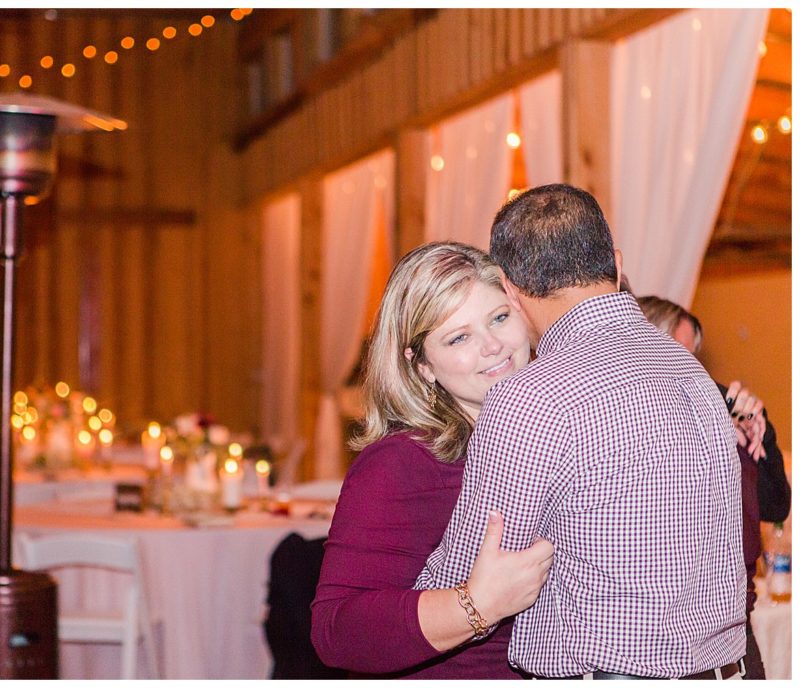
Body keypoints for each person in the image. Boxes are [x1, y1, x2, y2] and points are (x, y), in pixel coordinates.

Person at [416, 184, 747, 679]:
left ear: (509, 288)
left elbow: (472, 571)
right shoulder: (688, 369)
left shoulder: (533, 394)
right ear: (615, 264)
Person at [311, 242, 554, 678]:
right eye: (458, 337)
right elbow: (336, 630)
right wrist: (477, 605)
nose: (492, 346)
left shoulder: (549, 435)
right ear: (422, 365)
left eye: (499, 318)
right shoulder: (401, 463)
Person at [637, 295, 791, 681]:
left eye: (692, 355)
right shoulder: (637, 425)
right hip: (666, 639)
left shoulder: (717, 407)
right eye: (677, 350)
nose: (687, 366)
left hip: (739, 628)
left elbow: (775, 506)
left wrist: (762, 432)